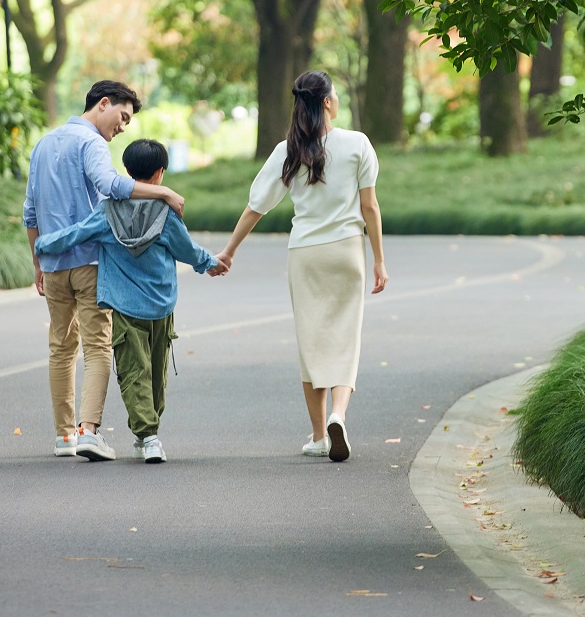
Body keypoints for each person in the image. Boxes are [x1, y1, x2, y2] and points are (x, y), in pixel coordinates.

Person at [216, 71, 388, 463]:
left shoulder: (288, 150)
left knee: (312, 341)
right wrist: (379, 259)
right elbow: (370, 207)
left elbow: (256, 206)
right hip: (347, 251)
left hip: (306, 253)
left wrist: (229, 251)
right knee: (346, 338)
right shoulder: (358, 143)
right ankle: (338, 416)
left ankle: (317, 435)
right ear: (327, 102)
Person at [23, 81, 186, 462]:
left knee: (60, 349)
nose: (123, 127)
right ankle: (88, 432)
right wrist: (163, 193)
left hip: (54, 265)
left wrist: (37, 262)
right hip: (91, 264)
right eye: (123, 116)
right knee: (97, 347)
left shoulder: (43, 144)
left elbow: (30, 212)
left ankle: (64, 435)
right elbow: (111, 186)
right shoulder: (91, 142)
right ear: (104, 103)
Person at [33, 139, 223, 464]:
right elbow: (187, 251)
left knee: (135, 372)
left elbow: (76, 233)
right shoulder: (166, 213)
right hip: (162, 307)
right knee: (157, 372)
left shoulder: (108, 213)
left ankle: (146, 436)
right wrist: (211, 263)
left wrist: (42, 244)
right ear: (160, 173)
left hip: (123, 307)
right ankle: (148, 435)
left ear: (127, 173)